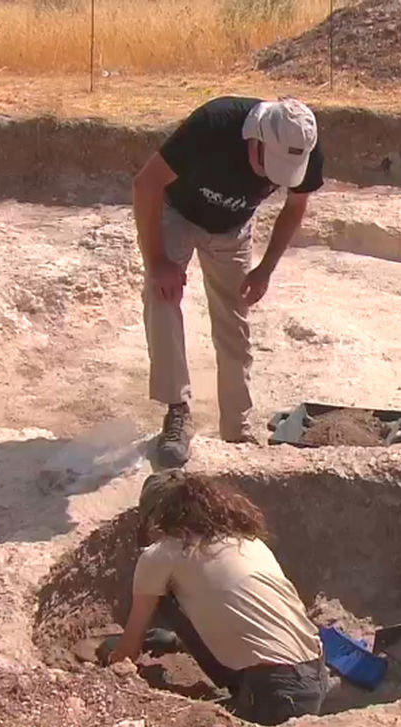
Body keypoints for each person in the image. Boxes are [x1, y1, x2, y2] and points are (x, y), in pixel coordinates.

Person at [132, 96, 326, 466]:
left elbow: (295, 207)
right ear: (255, 138)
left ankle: (237, 430)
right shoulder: (214, 124)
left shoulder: (304, 144)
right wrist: (157, 262)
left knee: (234, 321)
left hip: (232, 228)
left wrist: (265, 269)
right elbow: (146, 184)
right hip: (178, 212)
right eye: (270, 168)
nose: (272, 180)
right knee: (162, 297)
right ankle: (177, 412)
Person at [105, 470, 329, 726]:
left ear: (156, 518)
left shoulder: (160, 555)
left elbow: (126, 652)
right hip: (314, 673)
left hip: (280, 694)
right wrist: (180, 641)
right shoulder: (246, 540)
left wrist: (109, 662)